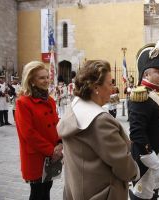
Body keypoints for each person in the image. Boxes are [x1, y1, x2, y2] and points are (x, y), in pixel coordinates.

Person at [57, 60, 139, 200]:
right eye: (110, 83)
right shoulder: (100, 121)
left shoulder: (75, 107)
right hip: (102, 193)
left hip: (79, 190)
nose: (113, 88)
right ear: (96, 88)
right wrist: (135, 172)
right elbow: (121, 162)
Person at [128, 44, 159, 200]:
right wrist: (154, 164)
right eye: (158, 71)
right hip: (148, 158)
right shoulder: (141, 96)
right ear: (147, 74)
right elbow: (137, 133)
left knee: (153, 194)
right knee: (142, 195)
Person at [15, 61, 63, 200]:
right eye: (41, 78)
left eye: (47, 77)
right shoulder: (23, 102)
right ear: (31, 80)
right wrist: (51, 151)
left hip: (52, 154)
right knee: (37, 193)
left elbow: (56, 124)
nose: (46, 80)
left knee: (47, 189)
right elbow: (28, 134)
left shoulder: (50, 100)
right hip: (37, 156)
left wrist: (60, 143)